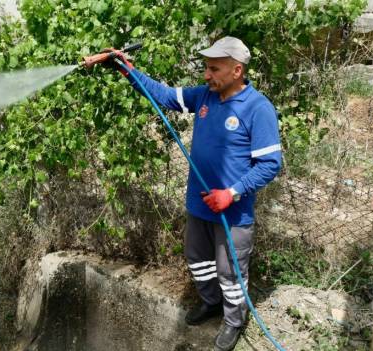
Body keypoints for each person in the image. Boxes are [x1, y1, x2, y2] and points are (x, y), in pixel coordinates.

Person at [105, 36, 282, 351]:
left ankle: (234, 321)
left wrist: (233, 193)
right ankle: (211, 302)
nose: (206, 75)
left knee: (231, 272)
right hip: (199, 206)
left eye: (214, 68)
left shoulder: (258, 108)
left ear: (237, 70)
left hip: (232, 212)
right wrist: (128, 71)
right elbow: (163, 95)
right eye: (206, 67)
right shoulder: (204, 97)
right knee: (198, 260)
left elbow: (270, 164)